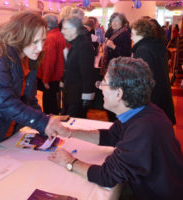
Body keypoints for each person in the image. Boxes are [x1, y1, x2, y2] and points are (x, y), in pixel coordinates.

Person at [48, 57, 183, 200]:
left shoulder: (142, 130)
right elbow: (111, 136)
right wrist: (69, 132)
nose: (99, 87)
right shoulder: (141, 110)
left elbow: (106, 176)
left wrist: (70, 162)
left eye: (104, 83)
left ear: (119, 94)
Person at [0, 11, 70, 160]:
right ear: (20, 36)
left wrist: (43, 127)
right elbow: (5, 102)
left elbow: (29, 99)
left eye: (42, 40)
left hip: (6, 131)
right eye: (34, 42)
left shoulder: (29, 58)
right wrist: (43, 122)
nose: (40, 47)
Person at [131, 18, 176, 124]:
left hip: (151, 98)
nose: (131, 36)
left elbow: (142, 79)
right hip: (160, 93)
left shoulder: (143, 50)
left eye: (132, 33)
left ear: (140, 33)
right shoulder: (156, 45)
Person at [60, 16, 96, 118]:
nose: (62, 31)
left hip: (77, 95)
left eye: (65, 29)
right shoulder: (75, 43)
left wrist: (87, 96)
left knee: (73, 121)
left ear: (74, 30)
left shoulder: (84, 45)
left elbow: (87, 73)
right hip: (71, 93)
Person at [100, 12, 131, 122]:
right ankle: (112, 119)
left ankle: (116, 121)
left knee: (115, 96)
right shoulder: (113, 32)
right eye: (113, 20)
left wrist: (113, 46)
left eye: (117, 21)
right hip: (111, 67)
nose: (114, 23)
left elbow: (126, 54)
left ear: (123, 23)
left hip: (118, 70)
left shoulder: (124, 34)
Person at [37, 14, 66, 115]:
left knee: (49, 105)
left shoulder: (50, 38)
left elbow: (48, 61)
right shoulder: (61, 35)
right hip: (59, 75)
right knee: (55, 100)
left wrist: (45, 80)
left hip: (51, 77)